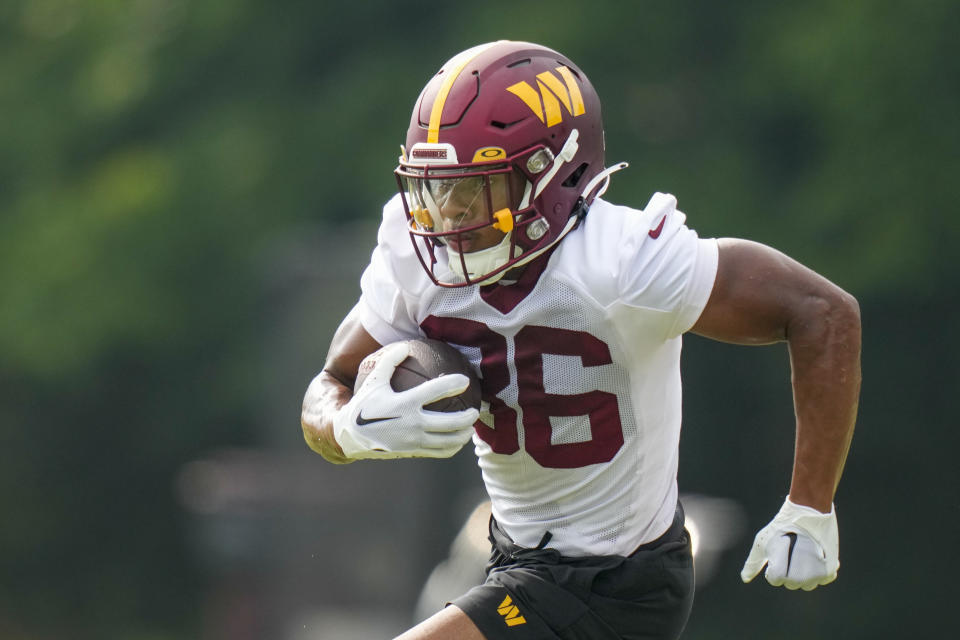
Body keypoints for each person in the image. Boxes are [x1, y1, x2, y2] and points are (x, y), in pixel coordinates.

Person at [300, 40, 861, 640]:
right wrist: (348, 427)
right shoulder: (416, 254)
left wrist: (811, 504)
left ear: (552, 174)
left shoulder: (622, 261)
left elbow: (823, 312)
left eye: (472, 193)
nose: (446, 221)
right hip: (515, 558)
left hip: (618, 582)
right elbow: (329, 383)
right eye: (434, 192)